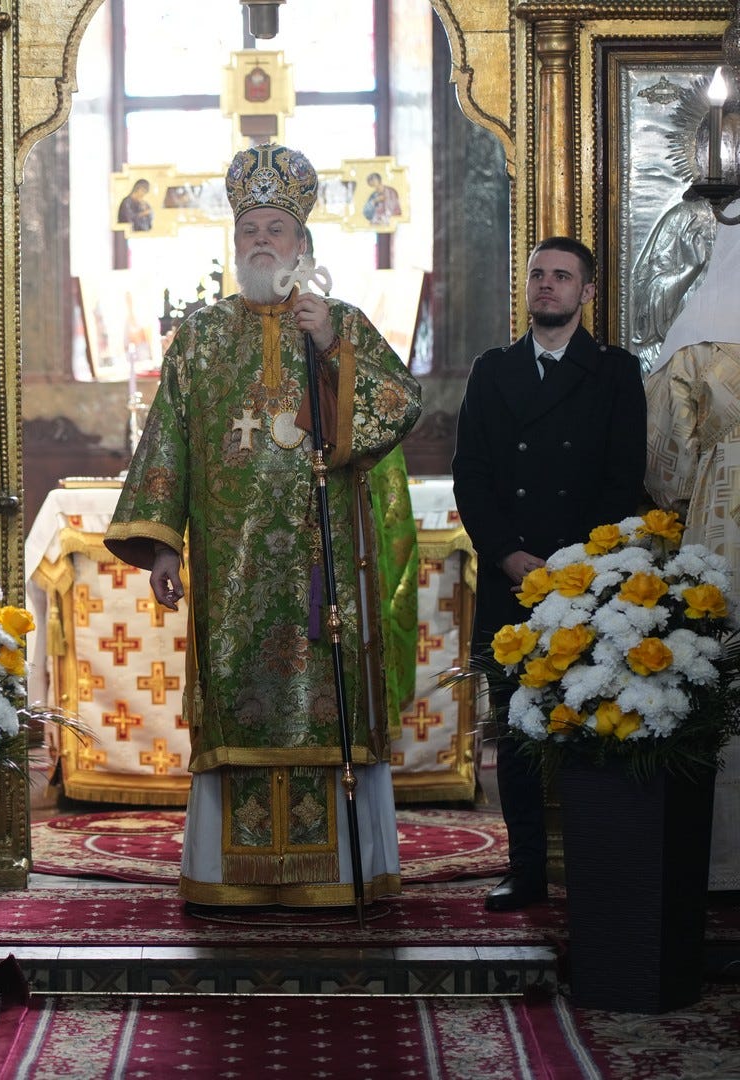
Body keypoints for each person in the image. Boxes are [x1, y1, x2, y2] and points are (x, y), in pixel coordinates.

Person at [103, 143, 422, 909]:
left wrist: (331, 346)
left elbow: (399, 407)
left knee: (328, 701)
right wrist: (162, 546)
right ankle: (229, 877)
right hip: (234, 572)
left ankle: (340, 872)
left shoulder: (342, 325)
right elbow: (168, 444)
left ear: (302, 244)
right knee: (238, 700)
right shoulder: (203, 337)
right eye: (250, 229)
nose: (261, 242)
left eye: (277, 229)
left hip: (324, 565)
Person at [452, 236, 647, 911]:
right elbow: (471, 476)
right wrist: (507, 553)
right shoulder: (491, 370)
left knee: (593, 722)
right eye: (538, 274)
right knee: (516, 732)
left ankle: (598, 871)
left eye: (563, 276)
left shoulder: (615, 373)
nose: (547, 285)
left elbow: (624, 479)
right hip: (510, 577)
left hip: (587, 582)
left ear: (587, 292)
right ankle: (526, 869)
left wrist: (573, 567)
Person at [643, 199, 740, 892]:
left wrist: (686, 503)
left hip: (721, 525)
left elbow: (665, 463)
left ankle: (722, 858)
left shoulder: (697, 343)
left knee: (725, 670)